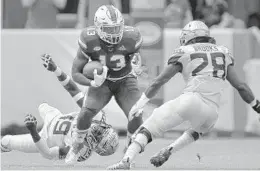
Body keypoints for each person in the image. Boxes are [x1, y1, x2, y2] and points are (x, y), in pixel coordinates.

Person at [107, 20, 260, 170]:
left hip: (191, 100)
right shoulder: (222, 52)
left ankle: (126, 160)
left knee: (150, 127)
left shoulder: (186, 51)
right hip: (212, 113)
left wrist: (139, 104)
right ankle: (169, 150)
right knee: (197, 130)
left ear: (188, 36)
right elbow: (241, 86)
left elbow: (160, 81)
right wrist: (257, 106)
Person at [1, 54, 119, 161]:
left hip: (45, 138)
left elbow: (47, 153)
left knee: (6, 140)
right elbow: (73, 89)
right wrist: (56, 70)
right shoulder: (96, 116)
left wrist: (33, 130)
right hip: (54, 115)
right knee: (43, 105)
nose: (100, 130)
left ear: (95, 145)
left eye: (99, 135)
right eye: (104, 130)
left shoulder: (79, 151)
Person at [66, 5, 143, 164]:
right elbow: (76, 73)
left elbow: (136, 57)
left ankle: (129, 152)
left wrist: (137, 63)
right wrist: (92, 82)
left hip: (125, 79)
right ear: (98, 27)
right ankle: (77, 145)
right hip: (102, 82)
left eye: (116, 28)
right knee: (86, 113)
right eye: (109, 29)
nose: (114, 33)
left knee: (136, 114)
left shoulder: (131, 36)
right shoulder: (88, 39)